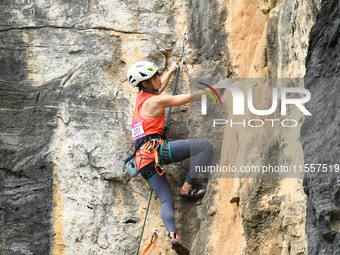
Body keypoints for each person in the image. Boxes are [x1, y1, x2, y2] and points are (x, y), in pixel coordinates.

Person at [127, 60, 212, 255]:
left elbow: (159, 86)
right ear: (146, 83)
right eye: (154, 77)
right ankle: (188, 186)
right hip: (156, 150)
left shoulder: (142, 97)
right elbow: (190, 98)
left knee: (166, 200)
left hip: (141, 161)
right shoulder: (156, 101)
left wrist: (171, 70)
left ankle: (173, 236)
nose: (159, 79)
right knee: (205, 147)